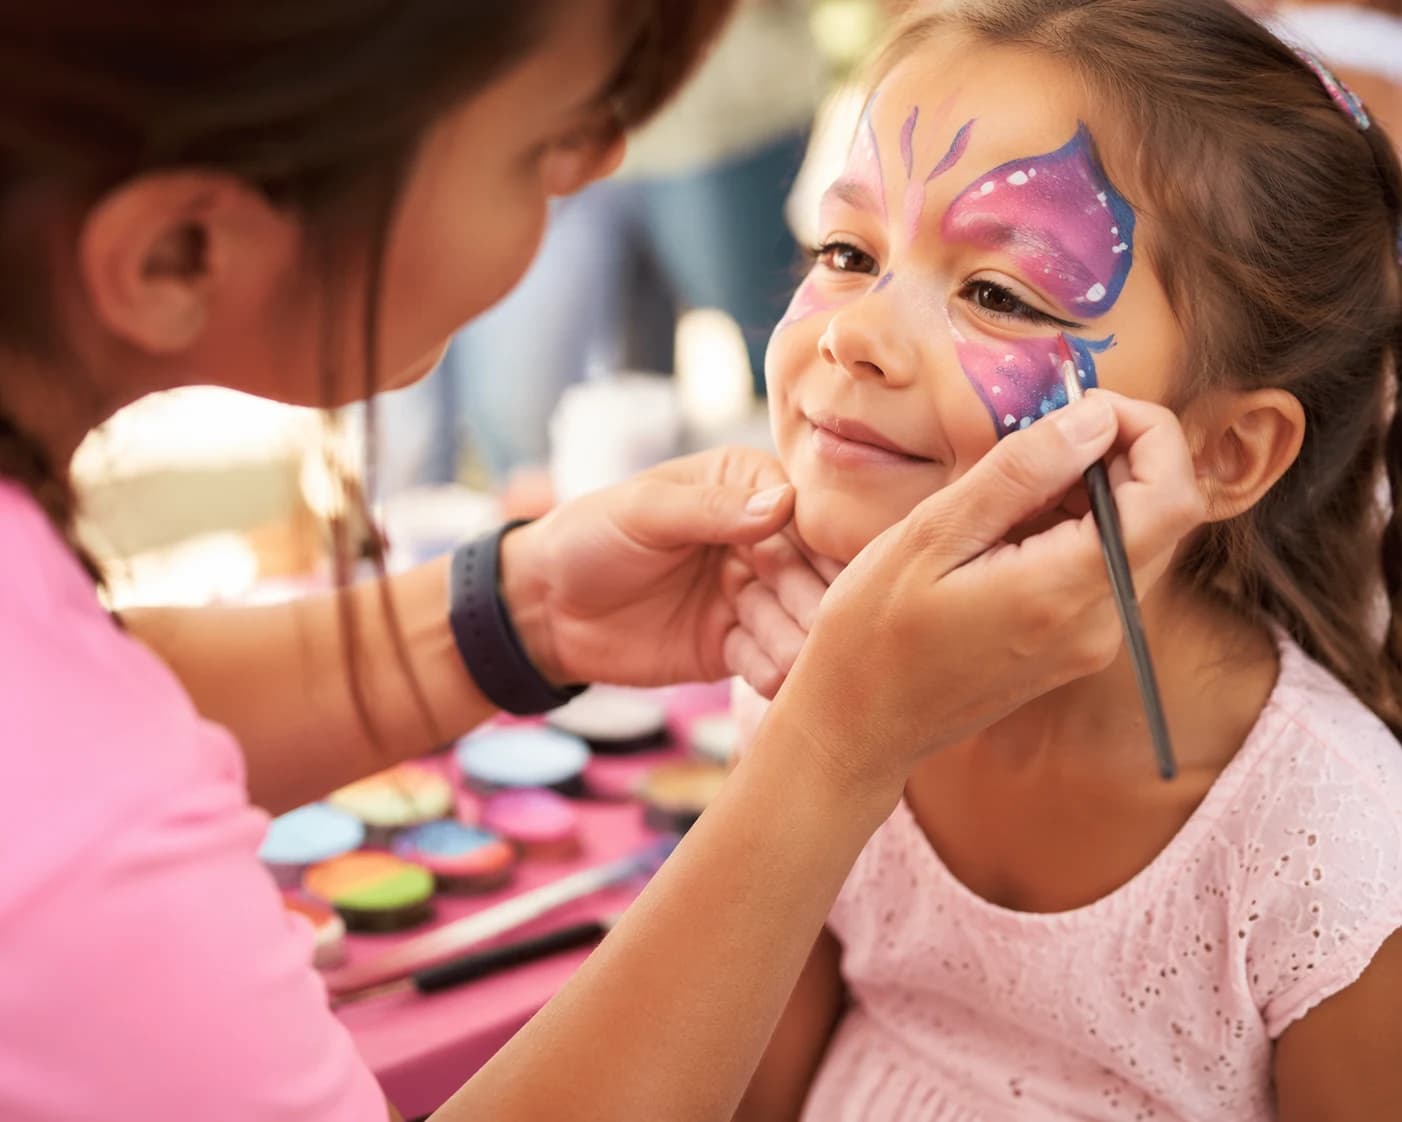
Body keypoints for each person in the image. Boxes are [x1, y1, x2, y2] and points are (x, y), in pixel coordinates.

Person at [0, 2, 1205, 1121]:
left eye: (995, 288)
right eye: (548, 143)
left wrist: (517, 615)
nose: (602, 172)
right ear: (176, 254)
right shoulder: (80, 849)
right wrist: (834, 753)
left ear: (1237, 446)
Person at [727, 1, 1402, 1120]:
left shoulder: (1329, 856)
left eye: (996, 292)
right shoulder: (809, 669)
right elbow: (743, 1080)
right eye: (848, 252)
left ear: (1228, 451)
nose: (849, 331)